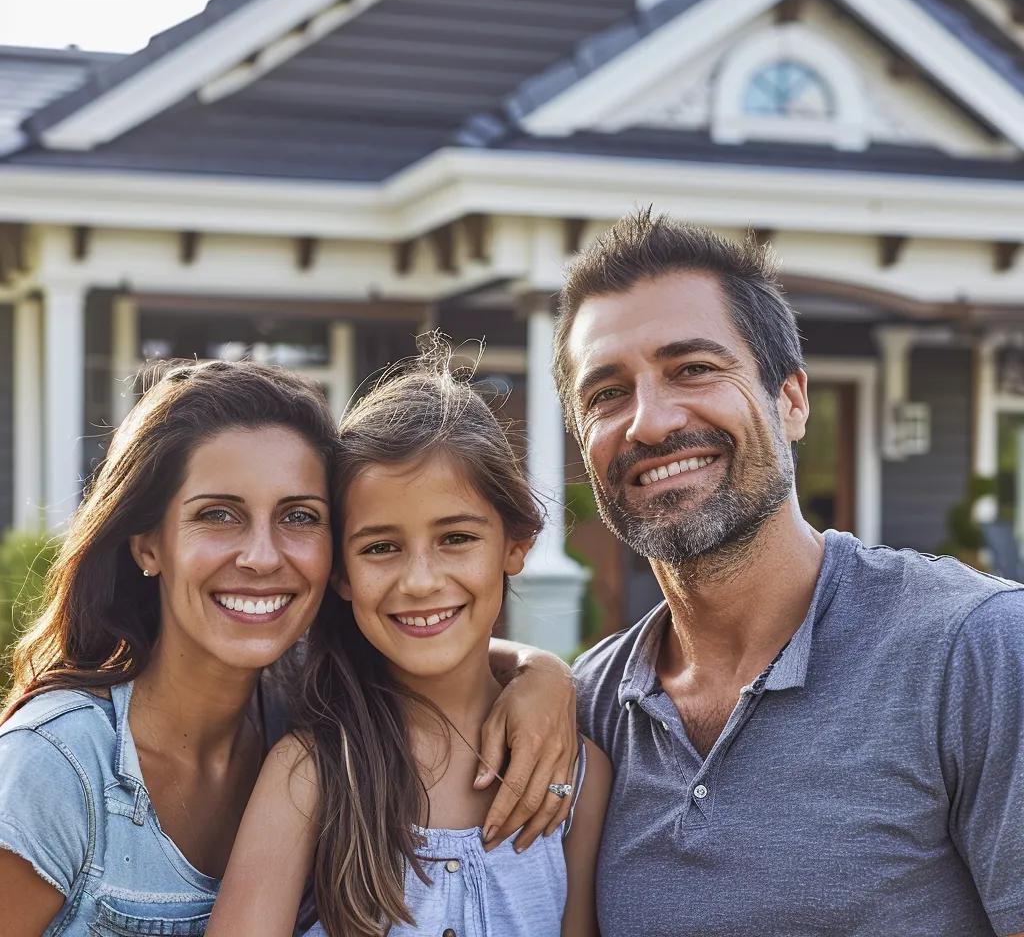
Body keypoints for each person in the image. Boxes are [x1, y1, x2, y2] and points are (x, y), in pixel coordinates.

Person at [557, 210, 1024, 937]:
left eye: (693, 368)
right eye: (606, 394)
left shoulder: (975, 650)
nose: (647, 422)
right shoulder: (588, 709)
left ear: (792, 400)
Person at [0, 359, 578, 937]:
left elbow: (431, 648)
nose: (262, 556)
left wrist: (542, 674)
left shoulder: (304, 701)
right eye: (218, 515)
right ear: (149, 546)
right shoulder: (55, 763)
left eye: (299, 516)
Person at [205, 343, 610, 937]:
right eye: (380, 548)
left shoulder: (576, 774)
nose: (420, 581)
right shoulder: (312, 771)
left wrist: (543, 672)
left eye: (456, 538)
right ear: (339, 572)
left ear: (516, 543)